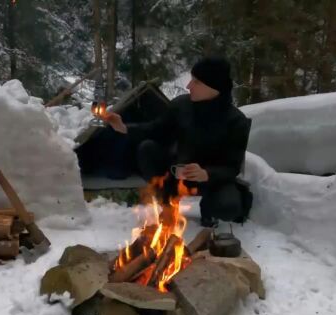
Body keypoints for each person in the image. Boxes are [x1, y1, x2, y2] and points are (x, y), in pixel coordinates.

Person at [103, 56, 253, 227]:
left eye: (196, 82)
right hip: (177, 174)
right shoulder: (181, 106)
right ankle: (168, 204)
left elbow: (232, 167)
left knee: (228, 208)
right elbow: (155, 130)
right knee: (147, 149)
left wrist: (207, 173)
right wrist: (125, 128)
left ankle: (209, 210)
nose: (189, 86)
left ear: (214, 87)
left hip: (210, 179)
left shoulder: (236, 121)